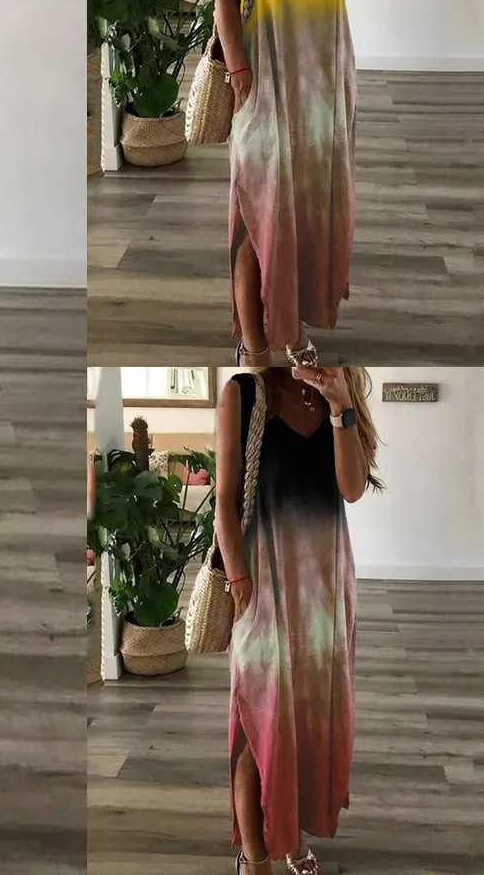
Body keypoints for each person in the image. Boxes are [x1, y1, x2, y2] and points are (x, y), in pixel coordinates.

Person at [214, 0, 383, 366]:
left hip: (324, 81)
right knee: (256, 210)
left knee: (306, 211)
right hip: (262, 73)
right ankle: (255, 348)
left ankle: (290, 328)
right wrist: (239, 70)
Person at [214, 366, 382, 874]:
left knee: (306, 723)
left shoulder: (338, 391)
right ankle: (254, 858)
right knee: (256, 721)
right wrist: (238, 579)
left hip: (324, 592)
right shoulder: (244, 393)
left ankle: (290, 834)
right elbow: (224, 501)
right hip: (261, 584)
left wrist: (340, 405)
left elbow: (351, 489)